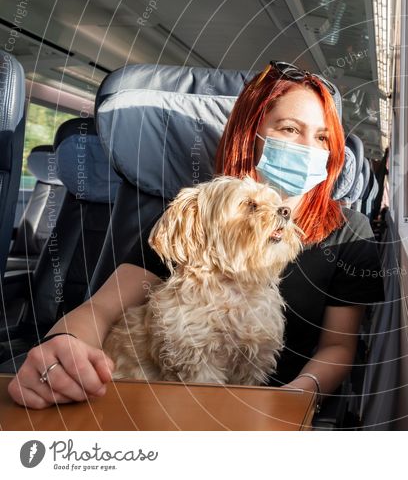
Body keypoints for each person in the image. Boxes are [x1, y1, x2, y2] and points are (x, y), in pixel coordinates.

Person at [7, 61, 384, 410]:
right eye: (290, 129)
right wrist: (64, 345)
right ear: (250, 133)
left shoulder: (349, 234)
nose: (308, 147)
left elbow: (337, 347)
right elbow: (103, 309)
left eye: (322, 137)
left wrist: (287, 400)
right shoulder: (198, 218)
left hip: (272, 406)